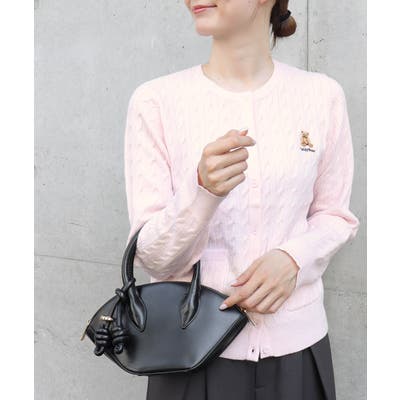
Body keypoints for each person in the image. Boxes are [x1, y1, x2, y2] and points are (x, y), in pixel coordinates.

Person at [123, 1, 360, 399]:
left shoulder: (322, 96)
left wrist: (294, 259)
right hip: (190, 357)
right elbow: (153, 257)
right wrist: (202, 192)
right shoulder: (156, 102)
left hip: (298, 355)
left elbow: (334, 215)